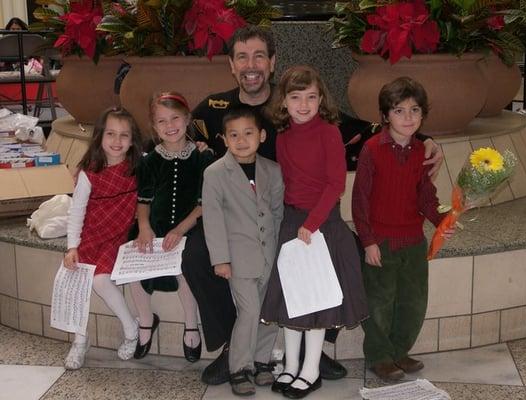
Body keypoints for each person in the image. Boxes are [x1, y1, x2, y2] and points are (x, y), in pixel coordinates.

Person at [188, 25, 444, 385]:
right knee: (196, 255)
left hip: (286, 217)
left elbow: (366, 128)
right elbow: (175, 134)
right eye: (242, 57)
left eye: (259, 55)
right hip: (238, 219)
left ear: (272, 63)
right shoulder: (215, 107)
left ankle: (316, 343)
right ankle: (233, 346)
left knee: (347, 254)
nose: (251, 64)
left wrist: (426, 140)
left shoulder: (292, 108)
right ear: (231, 64)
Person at [260, 65, 368, 399]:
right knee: (293, 298)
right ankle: (291, 364)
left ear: (321, 99)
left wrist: (312, 223)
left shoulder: (328, 133)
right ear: (285, 102)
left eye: (310, 97)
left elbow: (335, 183)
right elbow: (285, 182)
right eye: (296, 98)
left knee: (316, 300)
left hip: (320, 225)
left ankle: (311, 369)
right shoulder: (284, 135)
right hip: (291, 223)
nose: (303, 105)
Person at [352, 77, 455, 381]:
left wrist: (442, 221)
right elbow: (360, 201)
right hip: (381, 242)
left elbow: (426, 195)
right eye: (399, 111)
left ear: (423, 114)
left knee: (413, 302)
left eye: (414, 110)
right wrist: (368, 241)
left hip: (413, 242)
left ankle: (398, 351)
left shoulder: (421, 150)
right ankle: (379, 356)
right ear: (385, 116)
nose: (408, 117)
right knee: (379, 304)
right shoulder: (372, 150)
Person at [130, 91, 235, 362]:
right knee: (136, 264)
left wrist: (180, 230)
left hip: (190, 226)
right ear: (154, 126)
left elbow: (204, 203)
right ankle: (144, 321)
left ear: (187, 119)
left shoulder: (202, 157)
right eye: (162, 121)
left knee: (185, 265)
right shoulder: (149, 161)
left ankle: (191, 324)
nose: (170, 126)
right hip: (155, 226)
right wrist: (144, 227)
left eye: (175, 118)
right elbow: (144, 199)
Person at [202, 106, 284, 396]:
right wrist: (220, 259)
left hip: (270, 255)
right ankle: (238, 366)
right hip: (237, 260)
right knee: (248, 311)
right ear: (224, 139)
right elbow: (212, 219)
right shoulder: (215, 174)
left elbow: (277, 213)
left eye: (248, 133)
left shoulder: (272, 170)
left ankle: (262, 362)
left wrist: (281, 253)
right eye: (233, 135)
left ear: (261, 135)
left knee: (267, 312)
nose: (241, 140)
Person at [63, 107, 143, 370]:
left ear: (133, 140)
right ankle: (80, 340)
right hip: (92, 235)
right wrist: (72, 246)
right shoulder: (89, 172)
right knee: (77, 281)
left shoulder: (139, 167)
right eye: (110, 134)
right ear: (99, 137)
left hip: (119, 237)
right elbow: (77, 211)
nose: (117, 141)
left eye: (124, 135)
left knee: (99, 279)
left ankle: (131, 329)